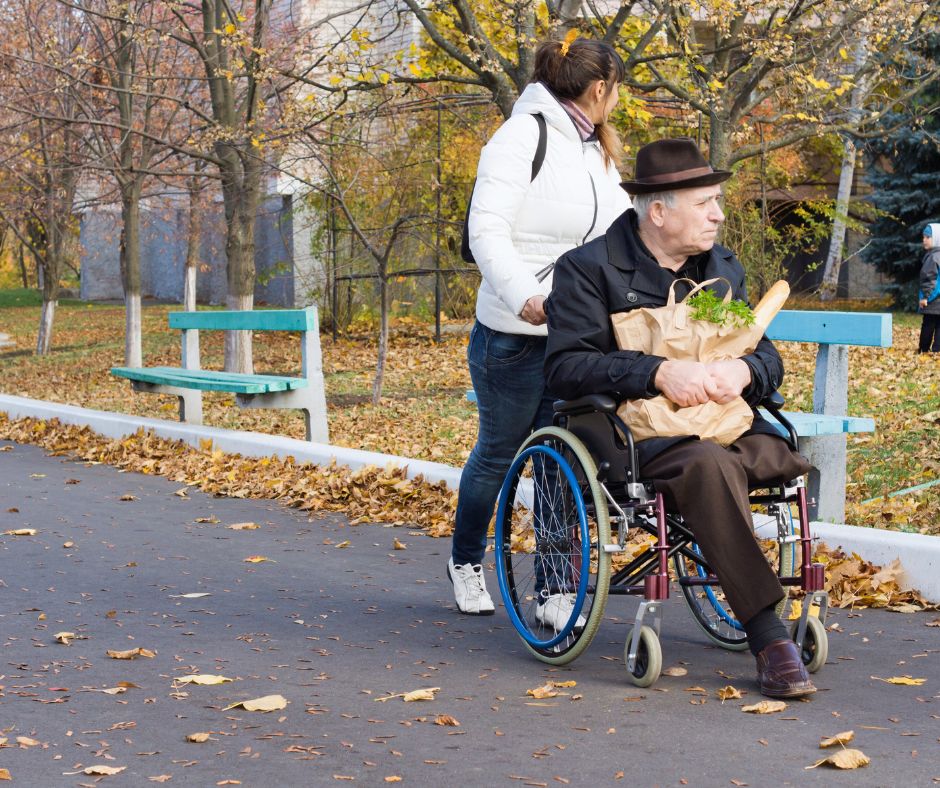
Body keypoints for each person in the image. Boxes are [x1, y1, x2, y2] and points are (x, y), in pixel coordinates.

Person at [544, 138, 817, 699]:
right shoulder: (588, 270)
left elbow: (767, 354)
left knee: (783, 459)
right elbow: (567, 368)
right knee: (711, 470)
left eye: (717, 201)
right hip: (635, 432)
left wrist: (744, 372)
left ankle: (749, 576)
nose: (719, 214)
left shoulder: (720, 267)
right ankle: (768, 634)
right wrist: (658, 372)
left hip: (723, 420)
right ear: (660, 211)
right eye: (706, 203)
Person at [449, 37, 632, 620]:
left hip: (574, 337)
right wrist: (526, 295)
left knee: (565, 459)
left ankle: (555, 588)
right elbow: (487, 231)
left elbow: (622, 228)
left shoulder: (595, 150)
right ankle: (466, 560)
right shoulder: (520, 137)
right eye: (617, 90)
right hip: (512, 336)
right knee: (500, 453)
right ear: (599, 89)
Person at [918, 223, 940, 353]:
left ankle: (923, 350)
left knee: (928, 325)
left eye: (928, 237)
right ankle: (937, 351)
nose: (924, 240)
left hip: (933, 300)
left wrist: (926, 297)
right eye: (924, 237)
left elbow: (930, 279)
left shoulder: (933, 257)